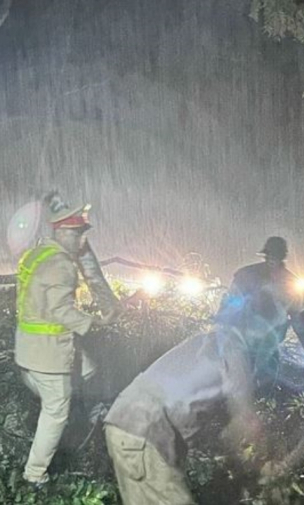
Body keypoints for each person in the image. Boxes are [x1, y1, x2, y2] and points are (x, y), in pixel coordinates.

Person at [103, 283, 289, 505]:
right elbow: (246, 422)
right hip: (146, 429)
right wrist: (263, 468)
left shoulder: (210, 339)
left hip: (130, 422)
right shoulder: (235, 353)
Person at [14, 201, 117, 486]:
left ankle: (96, 410)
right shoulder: (62, 265)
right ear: (66, 234)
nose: (84, 242)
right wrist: (96, 323)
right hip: (48, 354)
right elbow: (61, 311)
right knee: (56, 411)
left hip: (27, 349)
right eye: (80, 235)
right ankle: (35, 475)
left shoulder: (37, 254)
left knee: (88, 370)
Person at [217, 236, 304, 357]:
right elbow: (230, 300)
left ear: (282, 257)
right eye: (269, 255)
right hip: (244, 334)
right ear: (265, 256)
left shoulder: (289, 283)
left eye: (276, 256)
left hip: (270, 340)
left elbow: (297, 317)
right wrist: (224, 324)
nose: (272, 259)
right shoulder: (246, 275)